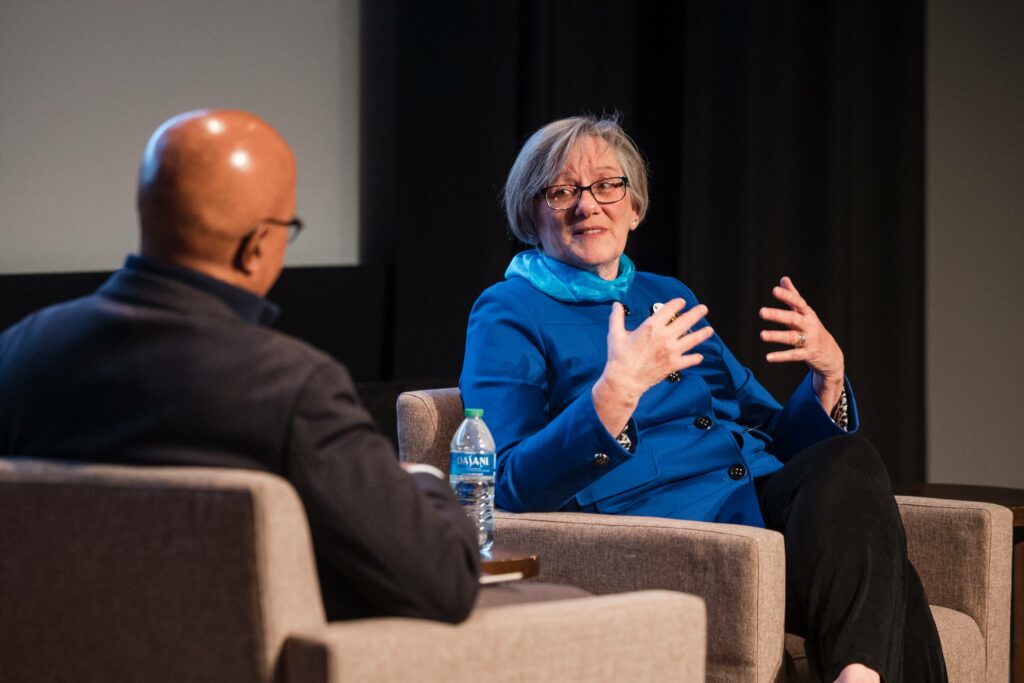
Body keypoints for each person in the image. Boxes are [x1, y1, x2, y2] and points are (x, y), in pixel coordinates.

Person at [460, 115, 946, 683]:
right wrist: (615, 394)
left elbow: (768, 430)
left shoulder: (667, 294)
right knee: (890, 576)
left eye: (607, 186)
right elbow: (504, 481)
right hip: (665, 538)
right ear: (532, 214)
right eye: (562, 190)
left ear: (634, 206)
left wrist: (828, 381)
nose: (587, 205)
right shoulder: (508, 310)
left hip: (754, 516)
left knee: (849, 461)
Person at [0, 109, 482, 623]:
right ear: (255, 247)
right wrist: (424, 477)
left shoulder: (19, 352)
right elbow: (446, 580)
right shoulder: (293, 389)